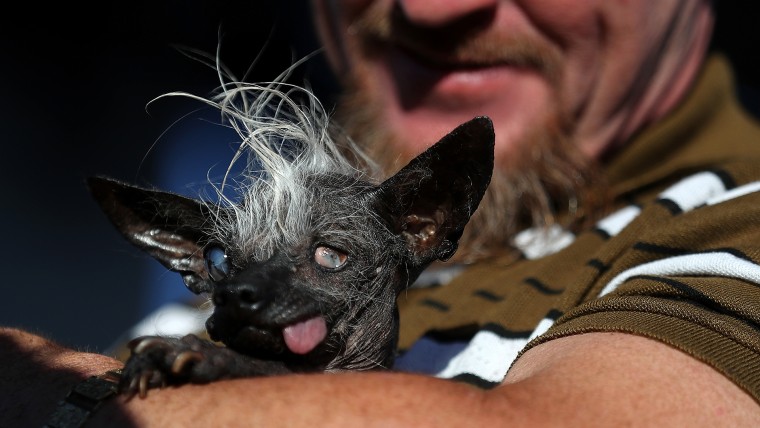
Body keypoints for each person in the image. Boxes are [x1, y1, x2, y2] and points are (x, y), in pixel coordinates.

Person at [3, 0, 760, 425]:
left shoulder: (738, 221)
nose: (433, 7)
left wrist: (46, 389)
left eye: (331, 255)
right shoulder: (255, 258)